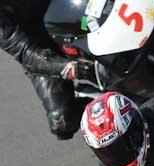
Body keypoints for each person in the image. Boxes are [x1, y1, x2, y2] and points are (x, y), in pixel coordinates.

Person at [0, 0, 95, 139]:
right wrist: (68, 68)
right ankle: (105, 107)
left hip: (69, 13)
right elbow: (26, 54)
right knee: (62, 122)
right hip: (42, 50)